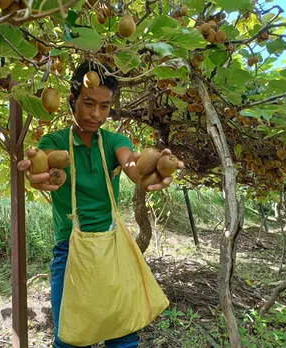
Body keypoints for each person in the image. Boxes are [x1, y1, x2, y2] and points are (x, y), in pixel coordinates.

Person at [17, 61, 184, 348]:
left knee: (123, 335)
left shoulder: (113, 141)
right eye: (88, 103)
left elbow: (131, 164)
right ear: (72, 100)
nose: (96, 114)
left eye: (105, 107)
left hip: (113, 249)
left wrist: (149, 171)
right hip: (69, 252)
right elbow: (41, 162)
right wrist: (37, 171)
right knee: (70, 338)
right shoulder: (55, 140)